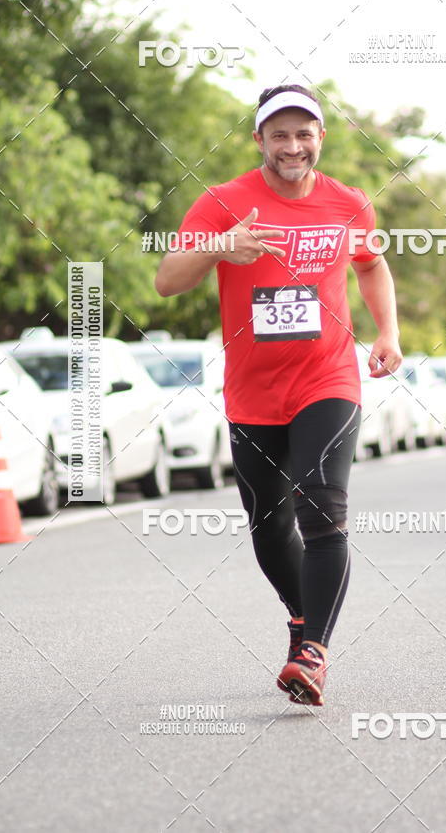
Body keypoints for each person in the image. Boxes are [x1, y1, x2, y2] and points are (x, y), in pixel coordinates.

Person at [155, 83, 401, 705]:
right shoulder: (224, 202)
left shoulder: (348, 204)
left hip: (328, 378)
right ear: (259, 139)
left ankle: (313, 653)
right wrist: (218, 247)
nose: (293, 146)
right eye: (280, 134)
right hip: (253, 391)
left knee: (323, 505)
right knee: (269, 521)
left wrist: (388, 331)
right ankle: (300, 615)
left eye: (304, 133)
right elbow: (165, 283)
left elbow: (370, 265)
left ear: (321, 137)